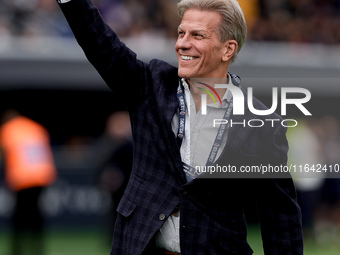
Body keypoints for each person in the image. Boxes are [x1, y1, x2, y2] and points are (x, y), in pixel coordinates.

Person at [56, 0, 303, 254]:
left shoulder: (262, 124)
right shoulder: (151, 86)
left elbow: (280, 217)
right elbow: (102, 46)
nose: (182, 43)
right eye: (181, 33)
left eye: (197, 35)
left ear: (228, 49)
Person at [0, 109, 57, 255]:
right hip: (42, 175)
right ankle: (38, 247)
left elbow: (5, 153)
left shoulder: (9, 129)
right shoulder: (36, 127)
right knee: (36, 213)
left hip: (22, 177)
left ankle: (17, 248)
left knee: (19, 216)